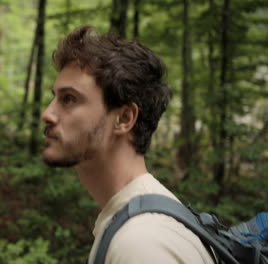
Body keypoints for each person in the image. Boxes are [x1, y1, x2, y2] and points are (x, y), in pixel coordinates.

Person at [41, 25, 215, 264]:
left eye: (69, 99)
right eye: (55, 97)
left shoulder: (143, 245)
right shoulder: (134, 223)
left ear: (124, 119)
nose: (47, 114)